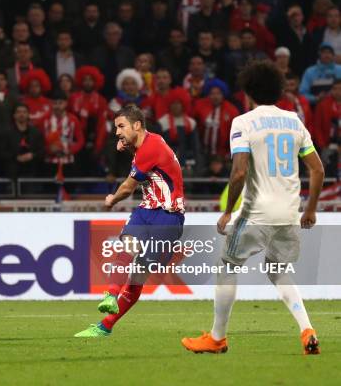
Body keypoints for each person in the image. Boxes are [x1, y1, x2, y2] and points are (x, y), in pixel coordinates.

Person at [181, 60, 324, 355]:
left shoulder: (243, 122)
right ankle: (306, 329)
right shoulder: (295, 121)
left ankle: (217, 337)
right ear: (279, 91)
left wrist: (228, 211)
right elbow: (318, 170)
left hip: (256, 212)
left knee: (227, 266)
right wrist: (309, 210)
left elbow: (239, 173)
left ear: (248, 91)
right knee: (277, 269)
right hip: (288, 212)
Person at [74, 103, 185, 337]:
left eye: (121, 126)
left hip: (168, 216)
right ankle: (110, 299)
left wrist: (111, 200)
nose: (117, 132)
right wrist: (128, 147)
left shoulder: (150, 148)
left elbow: (128, 187)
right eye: (116, 128)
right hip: (146, 210)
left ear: (137, 125)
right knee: (127, 245)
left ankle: (107, 323)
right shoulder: (146, 143)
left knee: (138, 276)